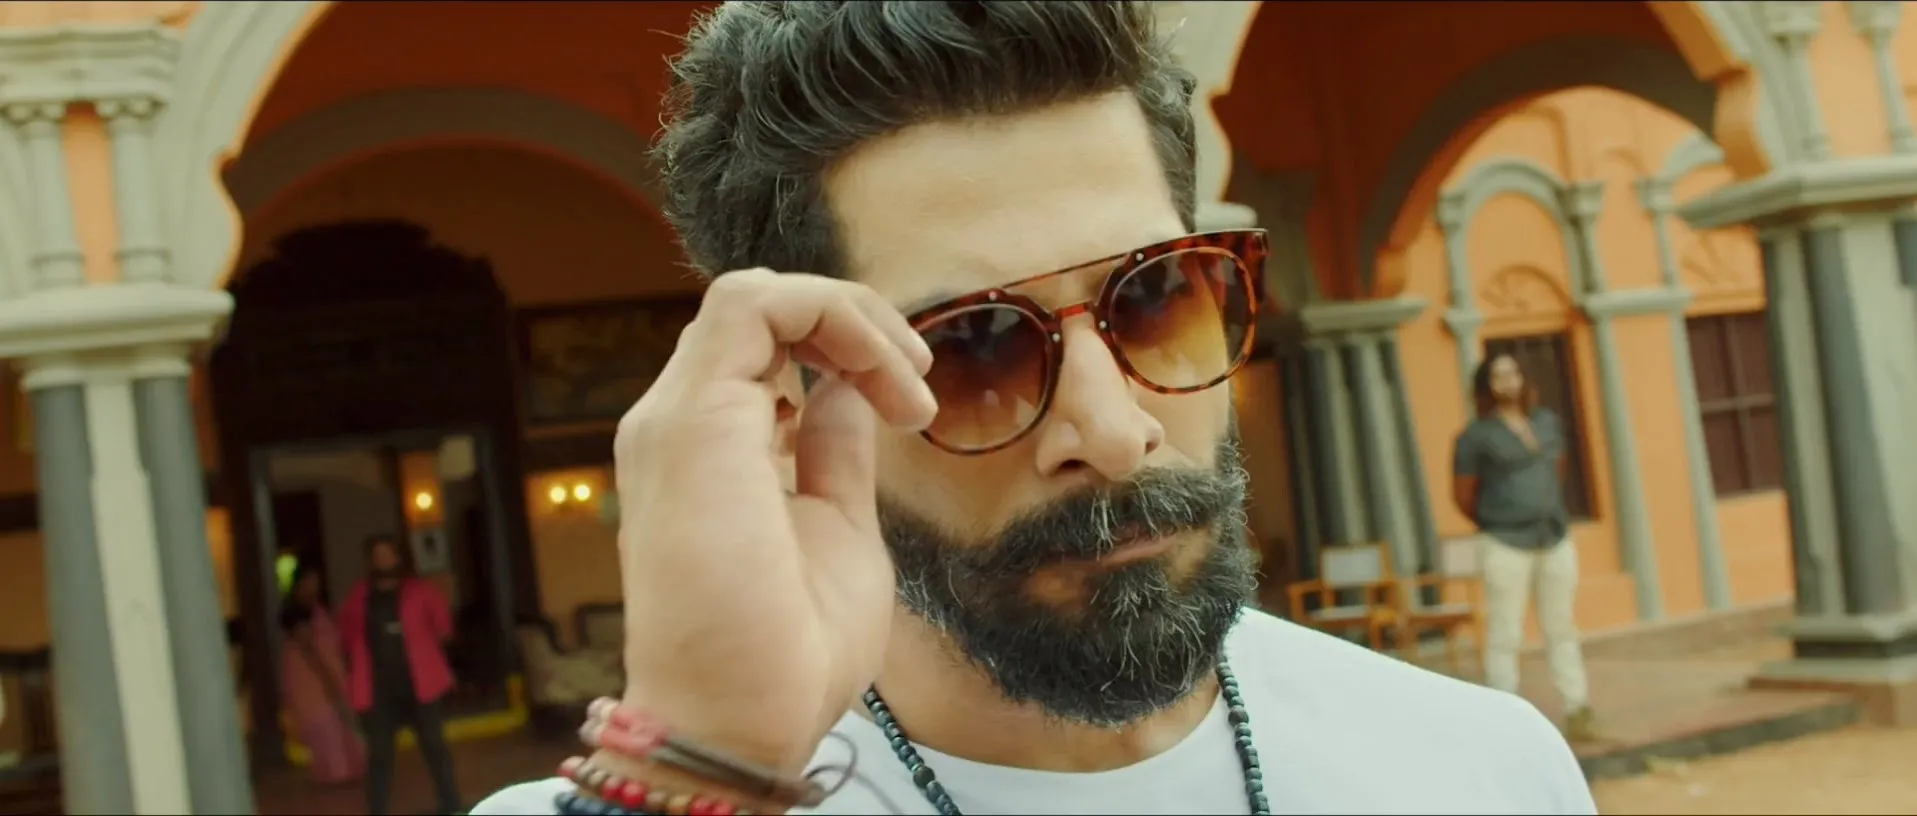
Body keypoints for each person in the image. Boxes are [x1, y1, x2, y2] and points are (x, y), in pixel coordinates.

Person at [476, 2, 1595, 814]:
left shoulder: (1479, 769)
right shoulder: (648, 798)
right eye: (971, 346)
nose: (1112, 432)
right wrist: (704, 760)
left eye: (1155, 298)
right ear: (799, 407)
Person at [1451, 353, 1599, 743]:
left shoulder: (1546, 422)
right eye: (1498, 375)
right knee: (1505, 631)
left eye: (1513, 372)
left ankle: (1578, 709)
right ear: (1486, 385)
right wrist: (1500, 515)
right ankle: (1506, 720)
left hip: (1553, 538)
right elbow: (1463, 495)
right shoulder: (1475, 437)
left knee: (1562, 626)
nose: (1507, 381)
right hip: (1505, 543)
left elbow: (1557, 471)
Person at [339, 534, 463, 815]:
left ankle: (452, 806)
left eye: (388, 554)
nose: (383, 561)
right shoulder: (358, 598)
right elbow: (346, 637)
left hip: (422, 686)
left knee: (435, 748)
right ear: (370, 561)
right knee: (379, 755)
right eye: (377, 556)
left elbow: (444, 629)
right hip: (378, 691)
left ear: (397, 557)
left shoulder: (421, 591)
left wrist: (425, 653)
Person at [279, 559, 366, 786]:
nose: (313, 587)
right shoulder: (294, 614)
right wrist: (328, 679)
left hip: (332, 675)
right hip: (311, 682)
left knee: (343, 726)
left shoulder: (318, 610)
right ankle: (335, 778)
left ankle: (346, 776)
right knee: (327, 729)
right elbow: (309, 650)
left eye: (316, 582)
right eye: (309, 582)